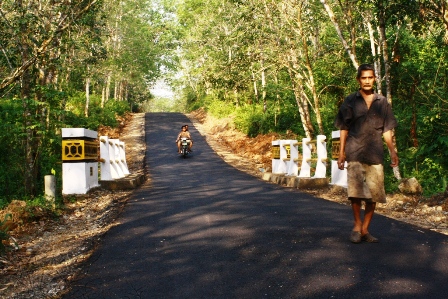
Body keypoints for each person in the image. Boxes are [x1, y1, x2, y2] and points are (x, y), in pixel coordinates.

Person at [334, 63, 399, 244]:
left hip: (375, 153)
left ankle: (365, 229)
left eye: (370, 77)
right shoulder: (350, 101)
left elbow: (387, 129)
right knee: (355, 193)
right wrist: (341, 154)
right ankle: (356, 225)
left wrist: (392, 151)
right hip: (354, 151)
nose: (367, 81)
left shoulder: (382, 102)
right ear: (358, 80)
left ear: (375, 79)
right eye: (364, 78)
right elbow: (344, 128)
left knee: (374, 195)